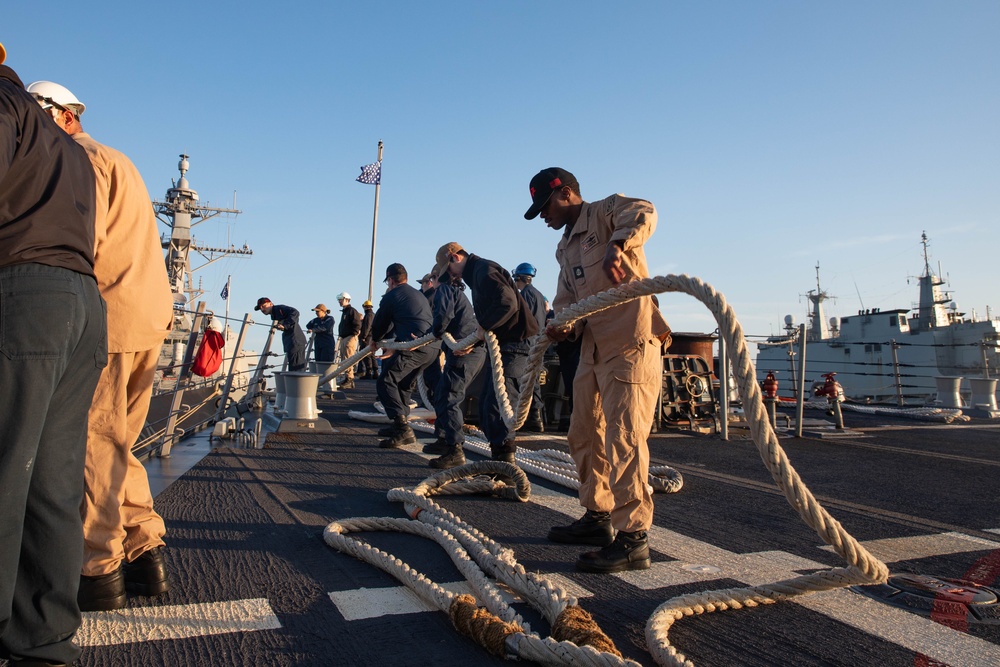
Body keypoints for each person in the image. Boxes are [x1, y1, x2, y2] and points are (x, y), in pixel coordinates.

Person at [28, 79, 175, 611]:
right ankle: (143, 550)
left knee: (91, 442)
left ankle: (98, 569)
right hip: (147, 317)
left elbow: (74, 242)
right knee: (117, 443)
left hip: (107, 319)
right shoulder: (117, 158)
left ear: (59, 116)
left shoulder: (73, 159)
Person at [0, 45, 107, 666]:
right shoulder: (71, 149)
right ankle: (44, 640)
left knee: (5, 462)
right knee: (53, 481)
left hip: (21, 295)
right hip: (81, 304)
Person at [524, 167, 669, 574]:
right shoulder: (564, 248)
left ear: (566, 194)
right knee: (584, 432)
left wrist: (618, 245)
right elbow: (567, 297)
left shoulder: (607, 212)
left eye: (545, 207)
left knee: (624, 437)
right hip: (592, 347)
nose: (544, 217)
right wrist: (562, 323)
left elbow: (644, 210)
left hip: (630, 340)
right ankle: (598, 516)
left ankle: (633, 539)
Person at [432, 243, 538, 463]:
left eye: (448, 270)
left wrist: (484, 327)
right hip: (502, 345)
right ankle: (499, 462)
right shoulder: (477, 274)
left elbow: (507, 302)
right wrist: (475, 341)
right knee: (487, 404)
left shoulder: (484, 270)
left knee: (497, 405)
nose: (450, 276)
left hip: (515, 345)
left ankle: (505, 467)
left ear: (454, 258)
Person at [369, 264, 438, 448]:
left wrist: (375, 340)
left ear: (390, 280)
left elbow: (380, 323)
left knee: (386, 381)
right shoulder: (417, 294)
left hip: (414, 347)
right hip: (430, 347)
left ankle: (402, 429)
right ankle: (399, 424)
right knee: (404, 384)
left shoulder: (392, 295)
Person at [424, 271, 486, 469]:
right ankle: (444, 440)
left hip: (463, 351)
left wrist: (432, 333)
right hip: (466, 350)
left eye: (431, 278)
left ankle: (455, 450)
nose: (430, 283)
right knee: (443, 394)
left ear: (437, 278)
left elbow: (443, 317)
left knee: (449, 397)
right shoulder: (455, 291)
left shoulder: (444, 290)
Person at [512, 262, 547, 432]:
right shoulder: (539, 295)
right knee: (533, 383)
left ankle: (527, 419)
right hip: (537, 343)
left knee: (523, 382)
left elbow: (522, 319)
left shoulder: (526, 295)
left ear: (520, 278)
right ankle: (536, 419)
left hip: (526, 344)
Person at [418, 272, 443, 429]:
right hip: (428, 339)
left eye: (425, 282)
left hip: (432, 340)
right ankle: (429, 399)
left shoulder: (433, 297)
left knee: (433, 373)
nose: (423, 285)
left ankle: (435, 401)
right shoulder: (426, 297)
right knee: (429, 373)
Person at [255, 298, 307, 371]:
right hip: (291, 341)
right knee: (294, 366)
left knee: (296, 368)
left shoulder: (279, 309)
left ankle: (298, 382)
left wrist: (285, 325)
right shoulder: (274, 314)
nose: (262, 309)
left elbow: (295, 312)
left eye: (263, 306)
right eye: (260, 308)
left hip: (295, 341)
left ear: (271, 304)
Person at [336, 292, 362, 389]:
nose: (339, 301)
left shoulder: (351, 311)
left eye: (341, 299)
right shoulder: (345, 312)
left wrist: (354, 334)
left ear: (346, 299)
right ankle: (348, 377)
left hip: (349, 337)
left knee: (348, 358)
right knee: (344, 358)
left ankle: (350, 379)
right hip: (344, 337)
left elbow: (357, 323)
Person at [358, 299, 377, 379]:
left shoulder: (368, 315)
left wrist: (363, 337)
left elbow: (367, 326)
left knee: (366, 355)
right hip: (372, 336)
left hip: (368, 337)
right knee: (372, 355)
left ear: (365, 307)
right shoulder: (373, 314)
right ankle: (375, 373)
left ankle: (368, 373)